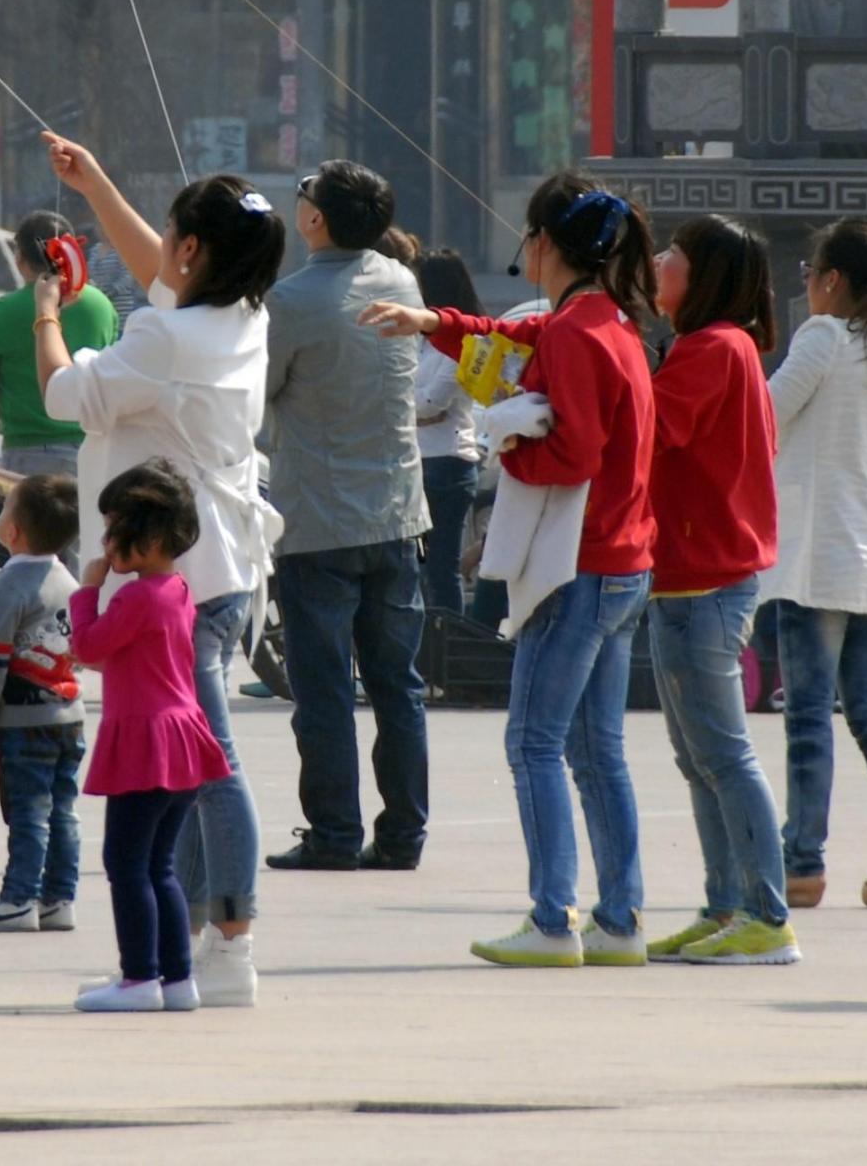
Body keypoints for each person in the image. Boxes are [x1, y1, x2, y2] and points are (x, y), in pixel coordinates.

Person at [365, 173, 660, 971]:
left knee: (533, 741)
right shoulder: (607, 323)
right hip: (623, 560)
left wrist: (507, 433)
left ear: (548, 245)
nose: (524, 250)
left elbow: (573, 452)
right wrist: (433, 321)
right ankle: (620, 919)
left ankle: (550, 918)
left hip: (576, 566)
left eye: (529, 237)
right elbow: (510, 340)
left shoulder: (572, 332)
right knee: (598, 751)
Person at [36, 133, 281, 1007]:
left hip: (181, 578)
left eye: (176, 235)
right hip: (212, 570)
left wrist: (48, 313)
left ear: (193, 249)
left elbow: (68, 396)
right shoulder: (240, 316)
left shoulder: (166, 336)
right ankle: (183, 951)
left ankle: (231, 946)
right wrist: (96, 178)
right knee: (185, 767)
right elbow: (166, 275)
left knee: (207, 767)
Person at [630, 215, 795, 968]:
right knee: (700, 760)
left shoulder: (708, 349)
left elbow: (645, 428)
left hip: (706, 577)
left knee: (722, 757)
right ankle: (725, 905)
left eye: (671, 255)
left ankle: (765, 913)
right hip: (689, 577)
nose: (658, 262)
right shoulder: (717, 348)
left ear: (702, 278)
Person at [261, 160, 431, 874]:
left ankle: (332, 833)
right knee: (399, 687)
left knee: (325, 689)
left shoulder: (291, 301)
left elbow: (260, 392)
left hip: (319, 523)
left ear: (315, 220)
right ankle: (402, 836)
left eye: (302, 196)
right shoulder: (401, 281)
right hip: (397, 514)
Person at [763, 217, 867, 914]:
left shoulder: (823, 338)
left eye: (808, 271)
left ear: (831, 280)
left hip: (819, 555)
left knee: (808, 716)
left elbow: (764, 418)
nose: (803, 283)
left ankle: (801, 863)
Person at [63, 460, 234, 1014]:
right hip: (181, 735)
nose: (108, 542)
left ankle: (139, 977)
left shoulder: (136, 597)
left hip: (146, 740)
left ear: (151, 535)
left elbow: (88, 648)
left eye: (116, 529)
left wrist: (86, 592)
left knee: (127, 863)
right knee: (159, 864)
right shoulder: (177, 589)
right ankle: (176, 978)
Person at [0, 473, 85, 936]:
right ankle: (58, 898)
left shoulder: (9, 588)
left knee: (27, 813)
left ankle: (17, 900)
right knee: (62, 810)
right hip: (69, 718)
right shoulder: (67, 582)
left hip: (22, 722)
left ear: (11, 531)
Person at [0, 210, 119, 484]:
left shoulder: (4, 311)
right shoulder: (101, 305)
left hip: (31, 453)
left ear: (21, 261)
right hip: (95, 449)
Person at [409, 248, 489, 629]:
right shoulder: (424, 339)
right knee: (418, 569)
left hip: (448, 463)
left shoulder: (464, 339)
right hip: (420, 460)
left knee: (442, 568)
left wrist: (405, 407)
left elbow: (429, 401)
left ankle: (450, 651)